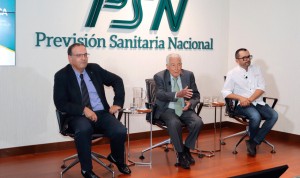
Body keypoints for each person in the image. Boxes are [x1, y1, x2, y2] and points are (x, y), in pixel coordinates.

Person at [53, 43, 131, 178]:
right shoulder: (62, 75)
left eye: (85, 54)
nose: (83, 58)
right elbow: (60, 103)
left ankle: (116, 158)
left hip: (101, 113)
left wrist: (117, 103)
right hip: (77, 116)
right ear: (70, 58)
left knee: (120, 130)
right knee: (84, 129)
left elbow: (117, 80)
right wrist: (83, 109)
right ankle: (86, 170)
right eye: (79, 55)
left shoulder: (94, 69)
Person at [221, 48, 278, 157]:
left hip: (257, 102)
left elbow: (261, 88)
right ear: (237, 60)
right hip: (241, 105)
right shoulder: (232, 73)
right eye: (244, 58)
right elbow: (225, 92)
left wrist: (250, 100)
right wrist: (241, 98)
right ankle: (253, 141)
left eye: (249, 56)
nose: (247, 59)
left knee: (273, 115)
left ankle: (253, 142)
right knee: (255, 116)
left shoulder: (257, 69)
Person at [153, 53, 204, 169]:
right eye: (173, 65)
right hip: (167, 108)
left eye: (179, 64)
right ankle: (181, 155)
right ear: (167, 66)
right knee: (174, 122)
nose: (176, 68)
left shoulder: (189, 75)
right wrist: (177, 94)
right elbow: (159, 94)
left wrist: (190, 103)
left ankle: (186, 149)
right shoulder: (159, 76)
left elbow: (196, 95)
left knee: (198, 122)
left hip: (184, 108)